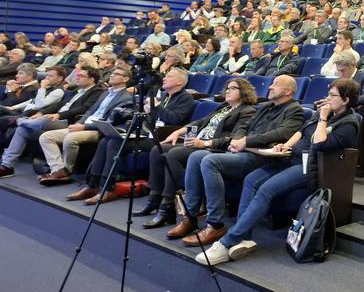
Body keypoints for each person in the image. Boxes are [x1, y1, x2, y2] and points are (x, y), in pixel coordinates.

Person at [196, 78, 360, 265]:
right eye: (328, 94)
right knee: (251, 179)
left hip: (309, 167)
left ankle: (227, 242)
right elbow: (302, 131)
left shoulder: (348, 123)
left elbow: (320, 143)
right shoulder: (322, 113)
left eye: (332, 95)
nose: (327, 98)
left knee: (266, 189)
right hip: (290, 157)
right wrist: (285, 145)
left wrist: (323, 117)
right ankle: (243, 237)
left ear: (346, 100)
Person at [160, 76, 303, 239]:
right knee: (196, 156)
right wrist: (238, 140)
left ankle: (215, 224)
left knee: (209, 161)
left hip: (261, 157)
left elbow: (281, 133)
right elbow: (244, 126)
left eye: (275, 85)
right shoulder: (265, 107)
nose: (270, 87)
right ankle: (190, 216)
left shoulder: (294, 110)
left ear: (288, 91)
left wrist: (245, 141)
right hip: (243, 150)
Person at [68, 67, 195, 204]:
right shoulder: (164, 96)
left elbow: (174, 119)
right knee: (107, 140)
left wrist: (156, 106)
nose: (164, 78)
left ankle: (107, 188)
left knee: (115, 143)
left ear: (179, 82)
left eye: (169, 76)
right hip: (147, 133)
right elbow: (153, 118)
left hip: (162, 138)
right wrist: (145, 113)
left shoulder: (186, 98)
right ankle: (92, 185)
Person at [158, 79, 258, 236]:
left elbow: (234, 138)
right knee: (160, 149)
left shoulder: (247, 111)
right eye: (227, 88)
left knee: (179, 154)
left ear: (244, 92)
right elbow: (201, 121)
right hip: (198, 142)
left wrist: (204, 143)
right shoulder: (223, 107)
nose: (227, 91)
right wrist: (180, 131)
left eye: (233, 88)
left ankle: (181, 209)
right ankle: (179, 210)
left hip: (214, 148)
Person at [38, 66, 134, 185]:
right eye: (112, 73)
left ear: (125, 79)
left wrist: (84, 127)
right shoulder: (105, 93)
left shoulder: (126, 98)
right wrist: (79, 123)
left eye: (117, 74)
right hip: (84, 125)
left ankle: (67, 170)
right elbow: (90, 111)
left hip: (98, 129)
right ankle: (58, 170)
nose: (112, 75)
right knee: (46, 137)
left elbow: (110, 122)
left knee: (70, 138)